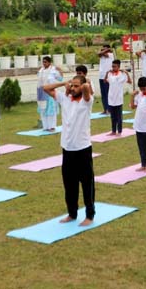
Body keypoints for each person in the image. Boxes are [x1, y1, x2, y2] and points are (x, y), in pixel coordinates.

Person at [43, 75, 95, 226]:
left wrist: (85, 83)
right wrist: (64, 84)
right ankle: (72, 213)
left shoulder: (87, 101)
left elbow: (86, 89)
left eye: (76, 86)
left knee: (87, 184)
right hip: (67, 149)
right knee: (69, 184)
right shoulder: (65, 98)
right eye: (72, 86)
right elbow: (45, 89)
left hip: (83, 149)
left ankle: (89, 215)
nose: (73, 88)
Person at [105, 59, 131, 136]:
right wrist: (107, 73)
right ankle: (113, 131)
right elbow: (105, 81)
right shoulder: (110, 74)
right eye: (112, 66)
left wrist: (127, 73)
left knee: (119, 116)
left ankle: (119, 131)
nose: (113, 68)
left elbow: (129, 81)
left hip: (118, 99)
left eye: (114, 66)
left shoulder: (121, 74)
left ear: (118, 67)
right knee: (112, 116)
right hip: (111, 98)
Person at [37, 56, 63, 132]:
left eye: (45, 62)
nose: (44, 63)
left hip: (50, 92)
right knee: (43, 109)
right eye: (43, 62)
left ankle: (52, 127)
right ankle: (45, 127)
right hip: (41, 92)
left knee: (51, 109)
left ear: (49, 62)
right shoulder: (41, 70)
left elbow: (60, 79)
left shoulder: (53, 70)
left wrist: (60, 71)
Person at [97, 44, 114, 114]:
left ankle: (109, 109)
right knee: (103, 94)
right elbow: (98, 53)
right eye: (103, 49)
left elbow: (102, 53)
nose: (103, 50)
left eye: (105, 49)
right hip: (101, 76)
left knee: (108, 93)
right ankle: (105, 109)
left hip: (107, 77)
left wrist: (106, 50)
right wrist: (105, 49)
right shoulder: (101, 55)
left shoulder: (110, 55)